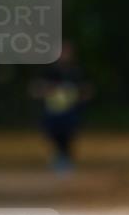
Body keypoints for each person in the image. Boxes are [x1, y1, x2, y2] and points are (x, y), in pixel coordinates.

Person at [29, 40, 92, 172]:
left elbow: (87, 91)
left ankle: (65, 157)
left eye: (67, 51)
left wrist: (76, 95)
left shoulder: (76, 71)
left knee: (68, 132)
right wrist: (49, 90)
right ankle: (61, 156)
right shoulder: (48, 71)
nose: (64, 55)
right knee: (53, 130)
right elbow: (35, 89)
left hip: (71, 111)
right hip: (52, 112)